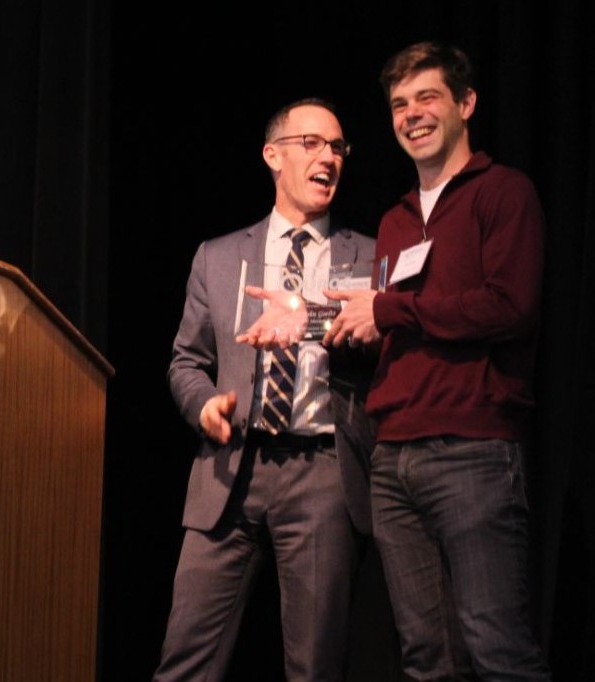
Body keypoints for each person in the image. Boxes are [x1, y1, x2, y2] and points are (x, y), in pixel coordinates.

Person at [323, 41, 551, 680]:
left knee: (497, 649)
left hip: (472, 451)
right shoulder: (395, 220)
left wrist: (388, 312)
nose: (412, 114)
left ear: (465, 104)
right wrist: (329, 325)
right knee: (426, 657)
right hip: (393, 458)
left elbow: (507, 308)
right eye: (399, 104)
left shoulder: (503, 193)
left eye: (427, 97)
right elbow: (397, 322)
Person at [154, 98, 378, 682]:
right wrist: (203, 404)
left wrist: (319, 319)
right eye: (312, 143)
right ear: (272, 155)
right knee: (185, 662)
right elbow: (186, 361)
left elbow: (387, 349)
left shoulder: (371, 256)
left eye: (337, 147)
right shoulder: (219, 256)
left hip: (323, 473)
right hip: (229, 471)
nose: (328, 157)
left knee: (315, 666)